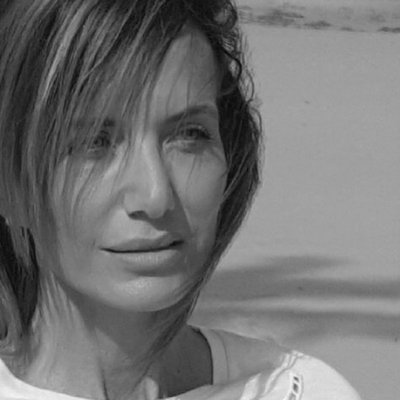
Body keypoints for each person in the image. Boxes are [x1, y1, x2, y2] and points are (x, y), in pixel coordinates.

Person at [0, 1, 361, 399]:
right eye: (93, 142)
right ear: (10, 186)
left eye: (190, 135)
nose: (156, 196)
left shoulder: (300, 390)